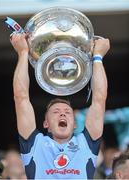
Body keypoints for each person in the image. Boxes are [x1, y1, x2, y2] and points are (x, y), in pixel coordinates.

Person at [10, 32, 110, 179]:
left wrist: (98, 57)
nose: (63, 114)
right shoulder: (35, 144)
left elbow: (99, 99)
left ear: (75, 124)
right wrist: (23, 52)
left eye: (68, 112)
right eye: (56, 111)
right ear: (46, 123)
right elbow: (21, 97)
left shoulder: (85, 144)